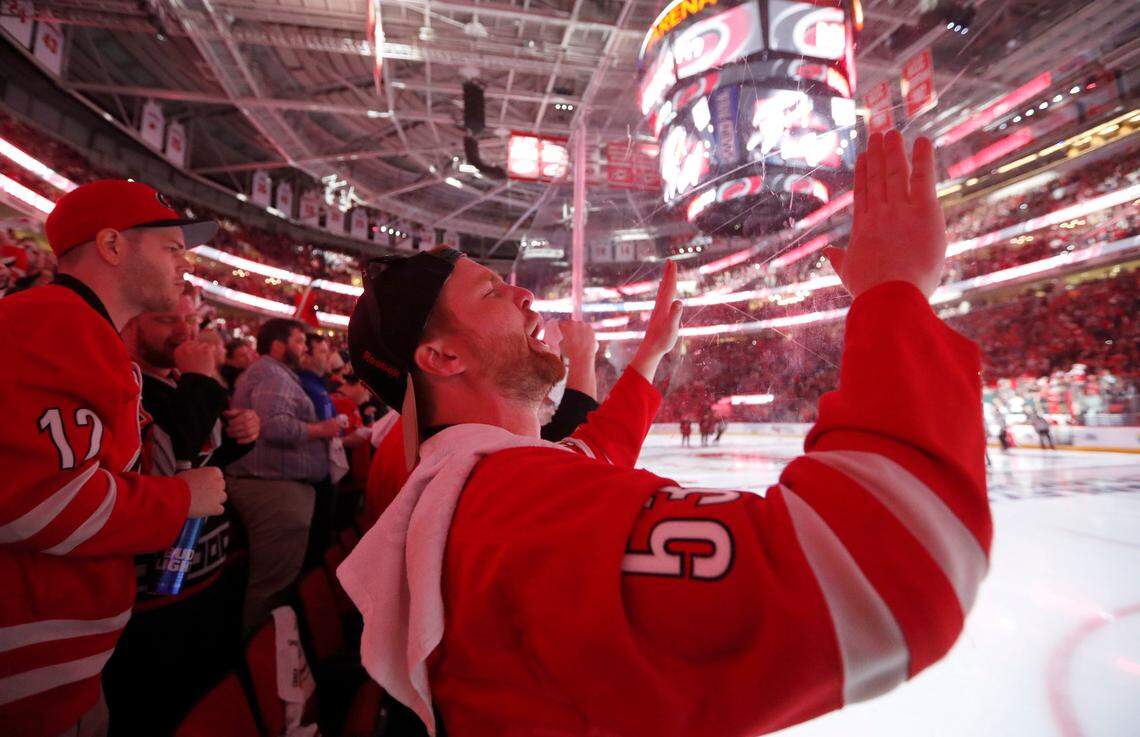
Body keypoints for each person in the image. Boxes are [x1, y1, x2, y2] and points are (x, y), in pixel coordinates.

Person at [339, 131, 991, 737]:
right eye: (490, 294)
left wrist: (650, 355)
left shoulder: (478, 484)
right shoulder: (509, 506)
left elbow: (591, 455)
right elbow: (890, 567)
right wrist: (895, 292)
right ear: (443, 359)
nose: (523, 296)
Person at [0, 180, 228, 737]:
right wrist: (181, 498)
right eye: (172, 249)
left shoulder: (79, 329)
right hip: (28, 679)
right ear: (112, 245)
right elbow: (38, 505)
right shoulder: (48, 324)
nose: (184, 264)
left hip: (60, 666)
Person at [107, 292, 260, 736]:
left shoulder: (185, 382)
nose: (184, 331)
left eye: (189, 320)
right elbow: (179, 456)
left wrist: (240, 436)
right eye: (166, 320)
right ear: (130, 324)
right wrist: (201, 382)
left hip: (206, 576)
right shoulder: (126, 383)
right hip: (157, 596)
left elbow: (206, 459)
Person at [357, 318, 603, 531]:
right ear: (445, 356)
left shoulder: (422, 429)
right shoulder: (459, 461)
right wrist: (582, 356)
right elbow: (565, 458)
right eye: (491, 293)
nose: (526, 302)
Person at [227, 318, 341, 631]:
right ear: (278, 345)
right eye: (299, 341)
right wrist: (323, 429)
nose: (304, 348)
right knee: (271, 587)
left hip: (279, 488)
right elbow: (274, 425)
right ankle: (259, 660)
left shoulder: (276, 374)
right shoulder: (271, 373)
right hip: (273, 489)